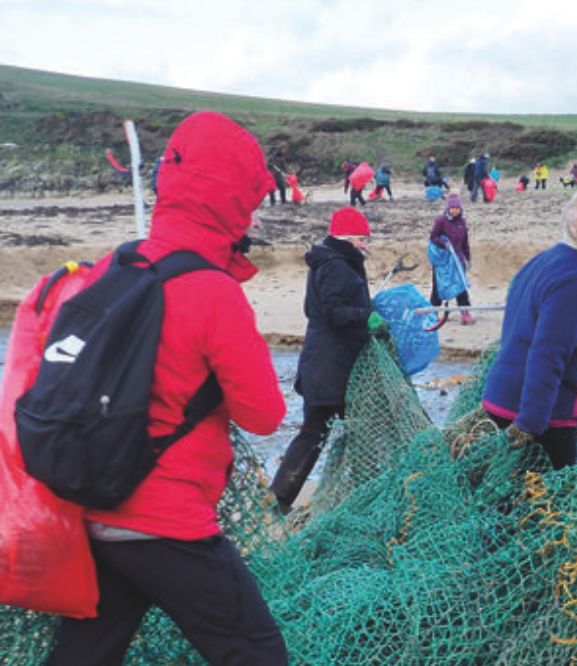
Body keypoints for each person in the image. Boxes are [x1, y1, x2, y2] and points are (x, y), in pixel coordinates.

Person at [45, 111, 288, 665]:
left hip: (91, 506)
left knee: (85, 654)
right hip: (167, 521)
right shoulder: (212, 290)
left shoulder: (115, 265)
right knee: (257, 653)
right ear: (236, 199)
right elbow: (265, 415)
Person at [481, 180, 577, 470]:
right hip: (541, 418)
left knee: (506, 506)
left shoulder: (543, 261)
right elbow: (548, 353)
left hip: (508, 401)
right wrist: (529, 424)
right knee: (543, 510)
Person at [270, 208, 372, 514]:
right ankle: (365, 495)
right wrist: (367, 315)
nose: (367, 244)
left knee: (314, 434)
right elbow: (334, 313)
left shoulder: (326, 262)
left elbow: (313, 310)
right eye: (363, 238)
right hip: (333, 370)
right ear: (349, 238)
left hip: (322, 364)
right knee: (355, 431)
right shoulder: (338, 266)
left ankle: (280, 497)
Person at [429, 193, 474, 325]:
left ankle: (465, 313)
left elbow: (465, 241)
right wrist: (444, 243)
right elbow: (433, 237)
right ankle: (434, 312)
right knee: (438, 287)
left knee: (461, 286)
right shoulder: (441, 220)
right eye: (452, 208)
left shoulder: (462, 222)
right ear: (448, 208)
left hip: (458, 260)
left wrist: (468, 257)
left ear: (460, 209)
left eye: (457, 208)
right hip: (443, 261)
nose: (455, 210)